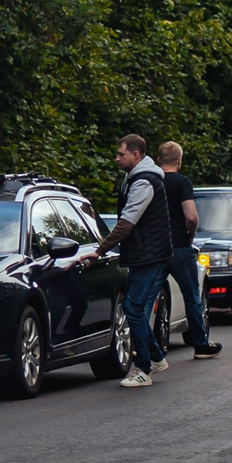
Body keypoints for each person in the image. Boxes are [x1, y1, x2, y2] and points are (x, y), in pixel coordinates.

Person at [93, 134, 175, 387]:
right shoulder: (135, 178)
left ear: (136, 155)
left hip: (151, 256)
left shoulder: (144, 182)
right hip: (146, 254)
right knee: (134, 308)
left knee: (134, 308)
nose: (117, 159)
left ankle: (143, 369)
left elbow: (127, 222)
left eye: (122, 154)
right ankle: (156, 358)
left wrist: (100, 250)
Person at [154, 142, 219, 363]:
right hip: (180, 246)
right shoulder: (182, 183)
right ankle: (200, 344)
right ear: (179, 161)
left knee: (147, 298)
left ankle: (144, 345)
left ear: (158, 160)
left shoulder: (151, 182)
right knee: (192, 296)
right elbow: (190, 216)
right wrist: (190, 234)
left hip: (156, 248)